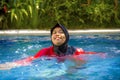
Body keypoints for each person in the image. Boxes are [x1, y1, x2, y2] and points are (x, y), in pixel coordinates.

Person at [0, 23, 96, 70]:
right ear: (51, 37)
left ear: (66, 36)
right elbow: (30, 59)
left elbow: (91, 58)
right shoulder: (45, 52)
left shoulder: (76, 51)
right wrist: (10, 65)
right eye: (54, 33)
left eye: (61, 32)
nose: (57, 34)